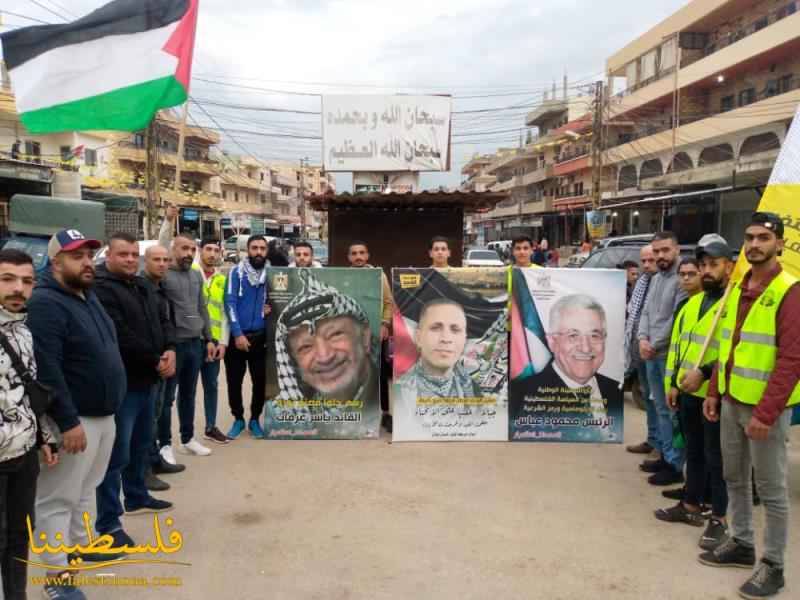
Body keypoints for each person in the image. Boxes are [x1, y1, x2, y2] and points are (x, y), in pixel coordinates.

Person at [699, 213, 800, 599]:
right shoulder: (739, 285)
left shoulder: (790, 291)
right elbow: (728, 347)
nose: (755, 244)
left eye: (763, 237)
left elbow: (792, 359)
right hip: (729, 400)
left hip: (764, 411)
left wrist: (767, 412)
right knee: (734, 478)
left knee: (772, 491)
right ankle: (741, 542)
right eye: (749, 237)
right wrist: (713, 390)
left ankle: (773, 566)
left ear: (780, 243)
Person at [27, 229, 126, 599]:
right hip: (74, 420)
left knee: (86, 491)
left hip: (102, 415)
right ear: (56, 263)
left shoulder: (86, 296)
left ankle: (78, 550)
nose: (87, 262)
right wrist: (66, 421)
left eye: (89, 255)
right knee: (56, 501)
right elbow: (46, 369)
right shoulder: (45, 304)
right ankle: (57, 580)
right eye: (76, 256)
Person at [93, 233, 175, 548]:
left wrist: (169, 349)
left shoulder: (142, 285)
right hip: (125, 385)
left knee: (141, 445)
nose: (129, 259)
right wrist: (156, 359)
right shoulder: (101, 289)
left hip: (150, 380)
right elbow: (120, 335)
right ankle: (109, 524)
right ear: (109, 257)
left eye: (132, 255)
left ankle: (138, 496)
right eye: (122, 254)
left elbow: (162, 320)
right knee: (116, 456)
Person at [654, 241, 732, 551]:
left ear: (729, 266)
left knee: (718, 458)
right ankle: (691, 505)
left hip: (716, 394)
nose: (707, 271)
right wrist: (672, 382)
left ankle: (719, 517)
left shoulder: (732, 303)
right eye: (704, 266)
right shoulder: (690, 305)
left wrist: (707, 372)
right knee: (695, 451)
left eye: (714, 265)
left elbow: (733, 351)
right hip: (687, 391)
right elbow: (677, 348)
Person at [0, 249, 57, 600]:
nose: (18, 288)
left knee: (21, 535)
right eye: (7, 279)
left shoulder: (24, 329)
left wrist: (42, 437)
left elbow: (28, 390)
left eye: (26, 281)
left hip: (22, 455)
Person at [510, 294, 621, 424]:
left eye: (594, 336)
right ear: (552, 342)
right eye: (573, 335)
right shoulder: (520, 396)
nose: (585, 348)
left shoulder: (616, 390)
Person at [158, 213, 215, 460]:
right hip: (173, 345)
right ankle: (164, 444)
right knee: (167, 397)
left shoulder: (194, 275)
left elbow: (202, 307)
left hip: (196, 344)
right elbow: (159, 243)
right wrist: (168, 222)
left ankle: (187, 438)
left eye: (192, 249)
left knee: (189, 394)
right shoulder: (163, 274)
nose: (188, 253)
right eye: (184, 248)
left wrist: (209, 338)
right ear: (173, 250)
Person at [276, 270, 377, 404]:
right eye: (305, 346)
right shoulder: (285, 410)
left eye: (335, 334)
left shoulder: (400, 394)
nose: (325, 357)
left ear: (364, 338)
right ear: (294, 362)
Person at [638, 231, 687, 486]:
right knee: (658, 407)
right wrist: (642, 339)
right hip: (650, 353)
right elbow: (645, 313)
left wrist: (653, 345)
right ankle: (667, 457)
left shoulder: (683, 278)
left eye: (665, 250)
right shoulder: (656, 278)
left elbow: (677, 318)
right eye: (656, 251)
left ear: (676, 250)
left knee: (671, 411)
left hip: (668, 356)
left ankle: (675, 464)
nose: (660, 256)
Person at [141, 244, 184, 492]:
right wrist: (155, 357)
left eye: (166, 260)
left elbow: (167, 322)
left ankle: (155, 459)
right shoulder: (142, 288)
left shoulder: (161, 288)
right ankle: (144, 470)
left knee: (158, 412)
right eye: (156, 259)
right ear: (145, 261)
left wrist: (170, 349)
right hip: (149, 364)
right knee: (146, 420)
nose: (162, 264)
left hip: (166, 357)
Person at [224, 235, 270, 439]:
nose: (258, 252)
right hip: (238, 339)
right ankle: (238, 419)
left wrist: (269, 309)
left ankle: (254, 420)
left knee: (260, 382)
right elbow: (230, 303)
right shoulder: (236, 272)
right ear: (247, 250)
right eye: (254, 248)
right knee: (234, 381)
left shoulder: (272, 274)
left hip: (260, 338)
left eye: (262, 248)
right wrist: (237, 334)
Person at [348, 241, 393, 432]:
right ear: (349, 258)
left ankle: (384, 413)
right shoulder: (345, 276)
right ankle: (355, 413)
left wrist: (384, 324)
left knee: (379, 374)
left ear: (367, 256)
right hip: (352, 336)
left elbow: (388, 302)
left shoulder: (379, 275)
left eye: (362, 253)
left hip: (376, 333)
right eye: (354, 253)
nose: (358, 256)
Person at [396, 299, 480, 397]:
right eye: (435, 328)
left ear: (464, 340)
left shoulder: (475, 392)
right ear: (418, 338)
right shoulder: (396, 395)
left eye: (455, 330)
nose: (446, 339)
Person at [625, 245, 659, 456]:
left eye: (651, 260)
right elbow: (635, 314)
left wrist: (650, 343)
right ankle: (652, 439)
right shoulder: (642, 282)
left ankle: (663, 448)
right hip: (639, 349)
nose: (646, 265)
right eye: (643, 261)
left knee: (660, 403)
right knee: (648, 398)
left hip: (657, 351)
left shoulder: (668, 282)